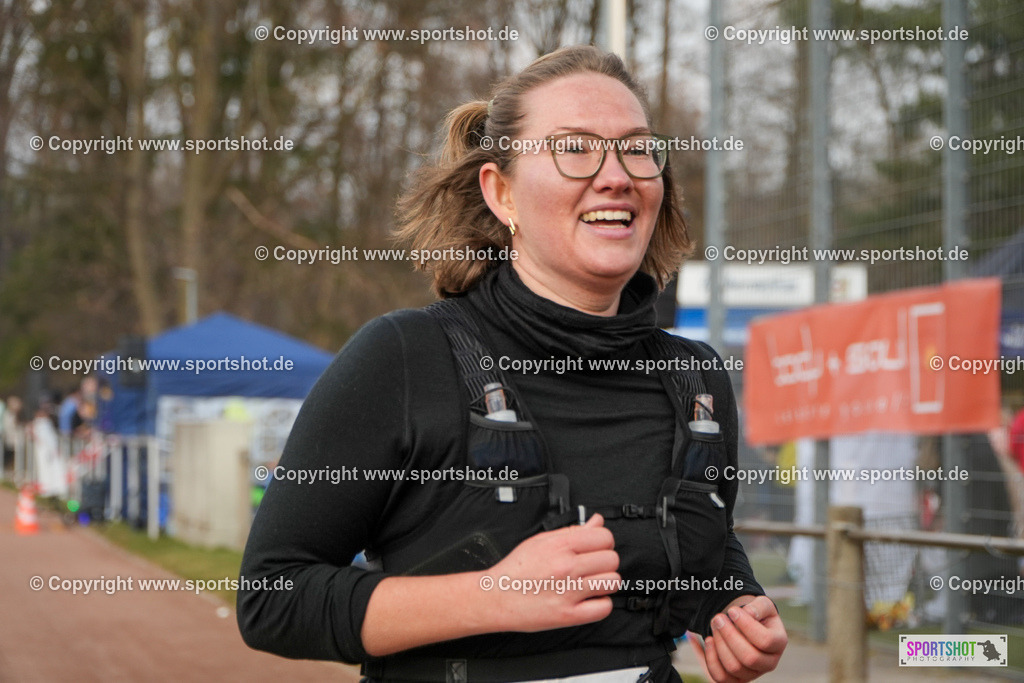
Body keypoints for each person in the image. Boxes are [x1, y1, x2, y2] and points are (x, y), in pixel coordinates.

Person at [238, 45, 786, 682]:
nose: (617, 175)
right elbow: (272, 597)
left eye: (638, 148)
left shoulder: (698, 381)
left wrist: (736, 611)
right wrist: (492, 595)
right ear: (503, 195)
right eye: (574, 148)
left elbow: (708, 556)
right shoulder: (404, 360)